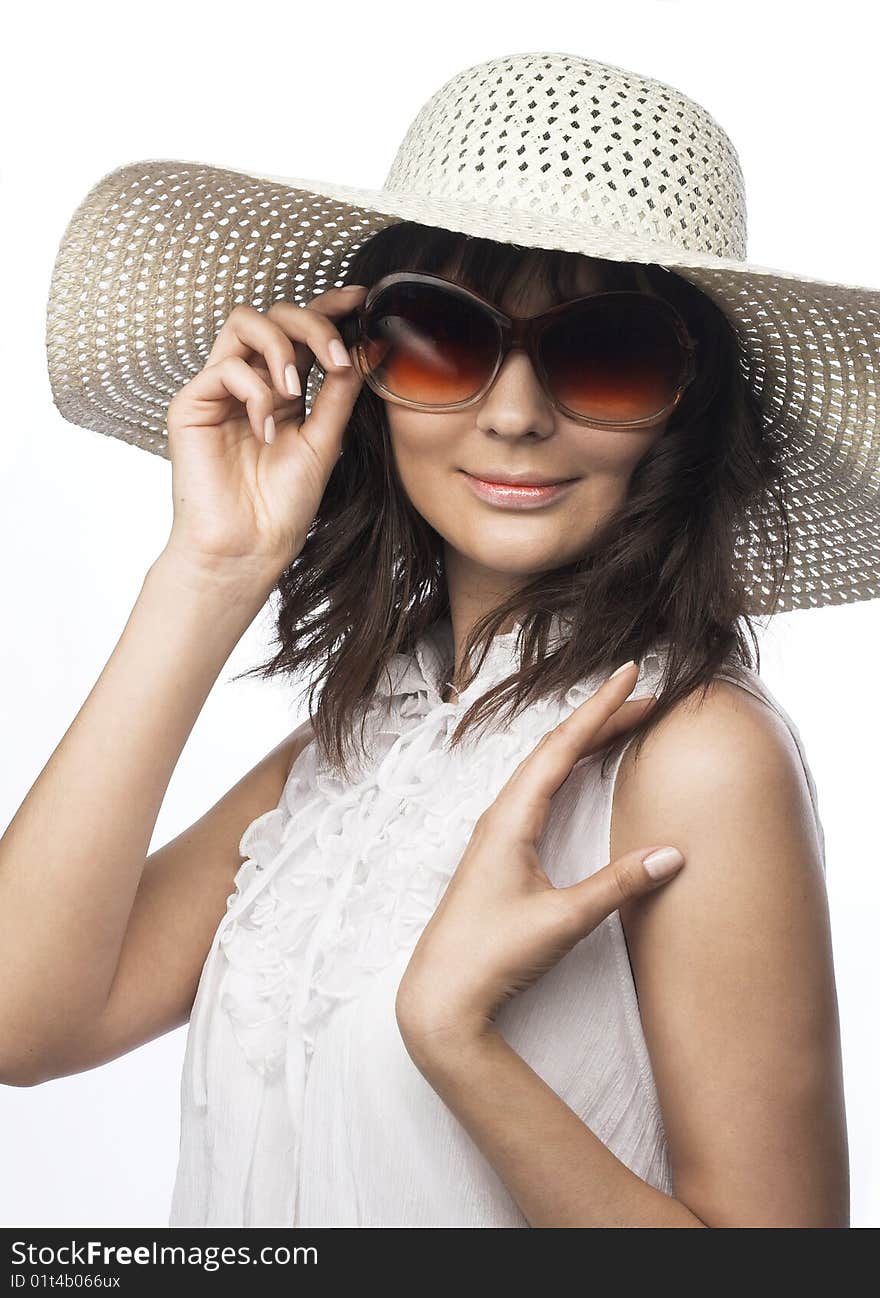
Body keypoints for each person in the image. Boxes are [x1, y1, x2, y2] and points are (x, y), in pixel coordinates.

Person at [4, 49, 869, 1228]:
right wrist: (214, 564)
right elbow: (25, 1018)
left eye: (605, 352)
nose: (514, 414)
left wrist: (460, 1042)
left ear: (689, 404)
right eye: (442, 340)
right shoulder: (369, 739)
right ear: (360, 367)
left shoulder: (693, 754)